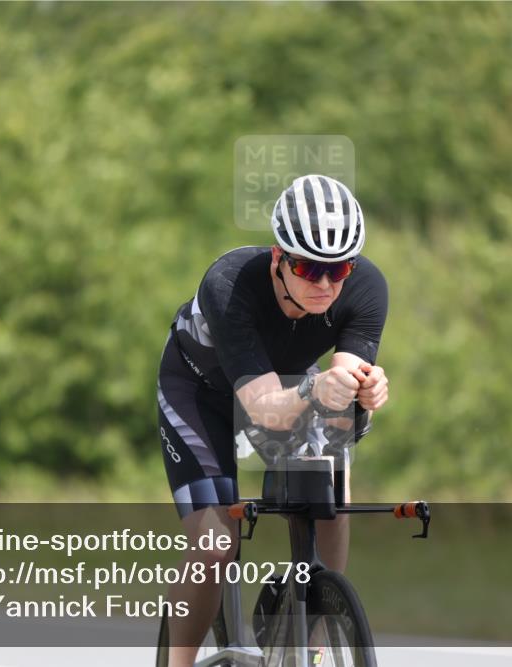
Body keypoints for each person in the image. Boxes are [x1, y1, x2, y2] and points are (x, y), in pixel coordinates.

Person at [157, 174, 389, 664]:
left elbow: (339, 393)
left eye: (339, 269)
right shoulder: (230, 283)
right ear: (278, 258)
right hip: (200, 392)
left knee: (331, 482)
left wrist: (362, 393)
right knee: (217, 543)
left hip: (286, 385)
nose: (326, 285)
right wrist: (314, 386)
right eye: (308, 268)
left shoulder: (366, 288)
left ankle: (316, 638)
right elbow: (263, 409)